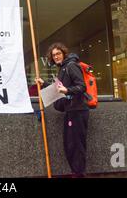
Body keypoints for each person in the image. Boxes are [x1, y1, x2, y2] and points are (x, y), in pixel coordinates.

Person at [36, 42, 89, 178]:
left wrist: (67, 90)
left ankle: (78, 174)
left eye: (58, 53)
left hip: (77, 111)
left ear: (64, 53)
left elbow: (81, 87)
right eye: (54, 55)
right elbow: (58, 89)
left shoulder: (71, 66)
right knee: (69, 144)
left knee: (76, 145)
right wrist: (45, 84)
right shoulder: (63, 69)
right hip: (70, 111)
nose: (56, 57)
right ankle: (76, 173)